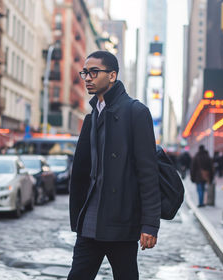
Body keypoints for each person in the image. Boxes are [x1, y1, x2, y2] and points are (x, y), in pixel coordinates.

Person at [68, 51, 160, 280]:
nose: (87, 77)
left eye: (94, 72)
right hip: (90, 220)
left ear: (112, 76)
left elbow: (148, 173)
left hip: (121, 220)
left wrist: (150, 224)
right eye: (85, 72)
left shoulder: (136, 112)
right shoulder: (92, 116)